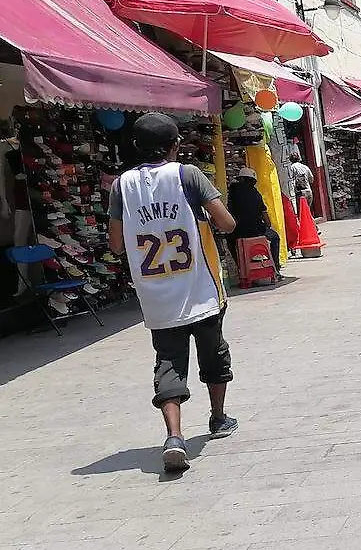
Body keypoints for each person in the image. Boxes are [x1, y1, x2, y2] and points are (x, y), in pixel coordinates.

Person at [106, 113, 239, 473]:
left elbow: (116, 245)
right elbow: (227, 222)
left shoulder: (121, 186)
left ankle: (174, 437)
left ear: (135, 147)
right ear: (175, 145)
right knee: (214, 355)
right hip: (201, 290)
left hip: (156, 297)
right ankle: (217, 417)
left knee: (168, 362)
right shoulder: (188, 175)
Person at [226, 168, 282, 274]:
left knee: (229, 241)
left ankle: (240, 267)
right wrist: (267, 226)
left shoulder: (232, 191)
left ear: (241, 179)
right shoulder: (256, 194)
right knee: (275, 238)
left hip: (239, 231)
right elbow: (265, 217)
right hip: (257, 230)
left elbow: (230, 210)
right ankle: (276, 268)